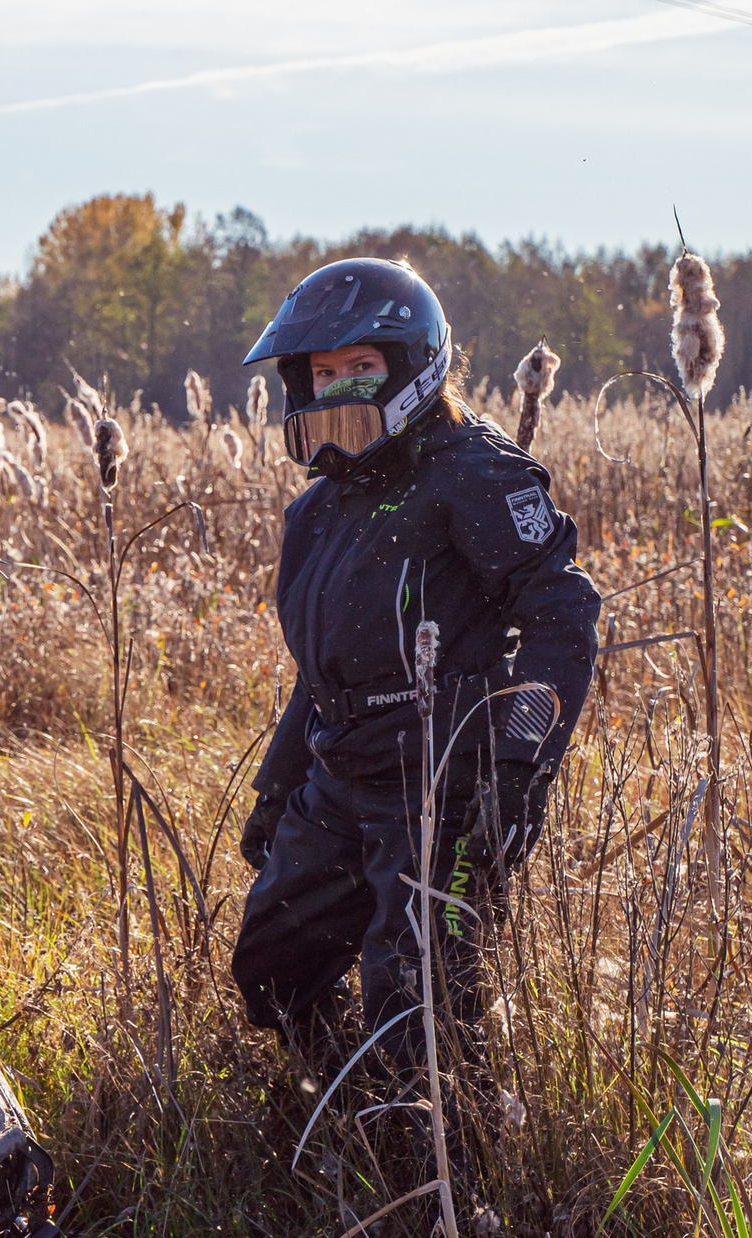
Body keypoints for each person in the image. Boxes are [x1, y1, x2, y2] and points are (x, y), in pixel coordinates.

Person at [230, 258, 601, 1092]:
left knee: (418, 1009)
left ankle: (443, 1175)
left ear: (410, 366)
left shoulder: (473, 471)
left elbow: (561, 614)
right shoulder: (316, 510)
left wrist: (514, 773)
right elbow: (322, 671)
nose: (334, 390)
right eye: (320, 373)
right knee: (271, 974)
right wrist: (277, 785)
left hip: (440, 784)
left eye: (357, 367)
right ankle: (345, 1111)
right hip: (339, 775)